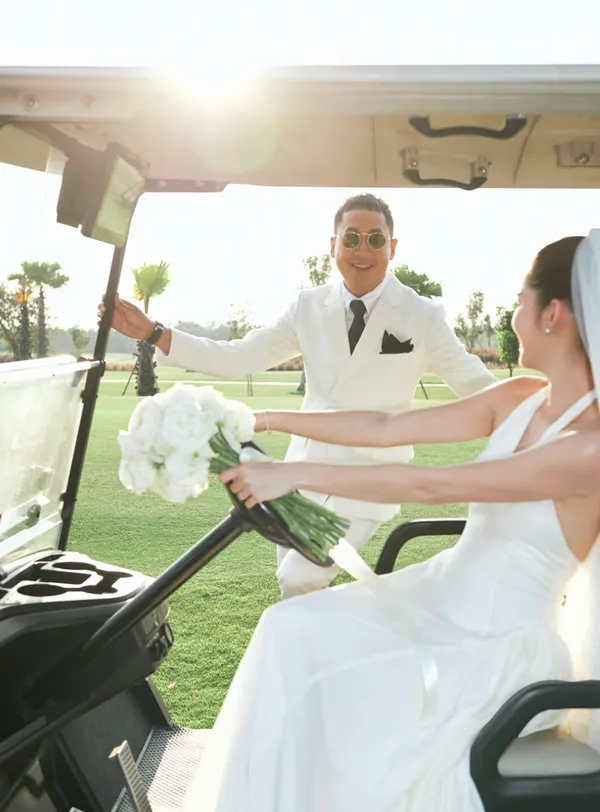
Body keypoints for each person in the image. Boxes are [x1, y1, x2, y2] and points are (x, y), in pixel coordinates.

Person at [182, 234, 600, 812]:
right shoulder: (523, 397)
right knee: (288, 629)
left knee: (343, 693)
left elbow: (432, 485)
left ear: (552, 313)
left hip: (492, 646)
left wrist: (290, 475)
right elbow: (386, 426)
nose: (512, 316)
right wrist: (263, 419)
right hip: (439, 598)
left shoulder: (588, 447)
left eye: (518, 300)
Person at [99, 193, 494, 598]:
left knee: (299, 577)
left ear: (392, 248)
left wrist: (533, 414)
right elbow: (240, 356)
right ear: (333, 245)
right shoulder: (307, 307)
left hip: (370, 480)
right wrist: (154, 332)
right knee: (296, 592)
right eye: (351, 238)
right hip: (299, 474)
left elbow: (477, 385)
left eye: (375, 240)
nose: (362, 250)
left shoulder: (423, 316)